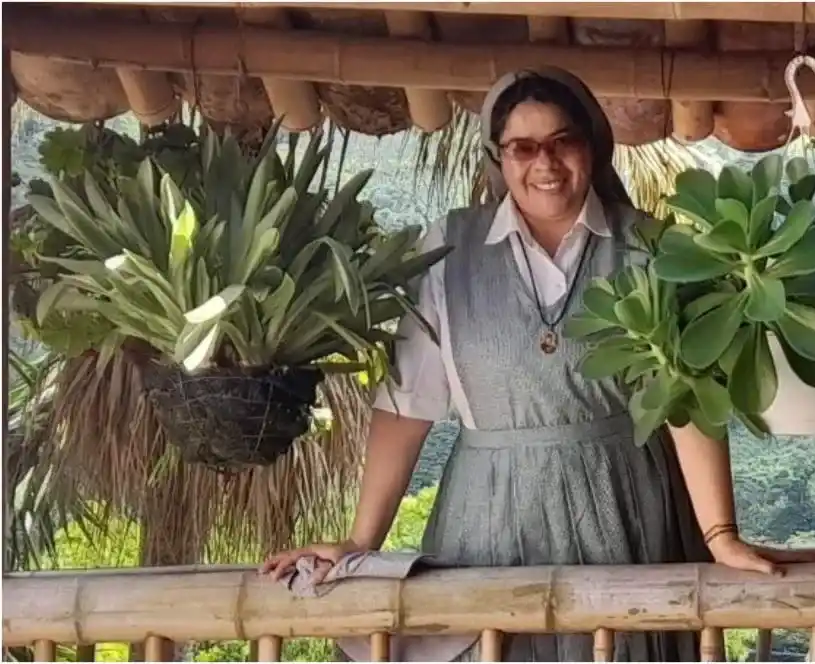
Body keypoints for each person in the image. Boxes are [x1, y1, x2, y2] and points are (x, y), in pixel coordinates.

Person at [260, 66, 780, 661]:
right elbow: (407, 408)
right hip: (488, 520)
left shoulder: (652, 248)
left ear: (593, 146)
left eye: (564, 142)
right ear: (498, 157)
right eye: (523, 148)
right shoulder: (446, 252)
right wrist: (359, 542)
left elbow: (685, 402)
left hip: (628, 507)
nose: (546, 164)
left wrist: (721, 536)